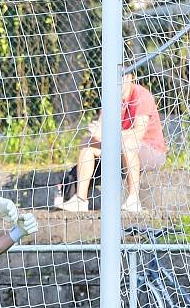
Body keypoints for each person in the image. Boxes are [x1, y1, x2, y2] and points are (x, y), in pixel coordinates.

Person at [54, 73, 166, 213]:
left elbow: (138, 134)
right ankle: (80, 200)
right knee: (87, 143)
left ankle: (133, 200)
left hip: (150, 151)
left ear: (129, 77)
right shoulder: (111, 97)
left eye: (120, 76)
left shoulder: (141, 95)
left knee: (128, 144)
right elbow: (101, 129)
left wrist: (107, 135)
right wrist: (96, 132)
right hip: (118, 148)